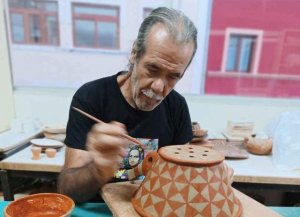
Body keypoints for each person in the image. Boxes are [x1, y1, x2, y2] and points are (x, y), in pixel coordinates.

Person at [57, 6, 198, 202]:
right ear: (134, 54)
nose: (159, 87)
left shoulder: (177, 107)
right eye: (152, 69)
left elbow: (183, 180)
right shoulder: (91, 97)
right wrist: (97, 169)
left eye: (173, 76)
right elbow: (67, 192)